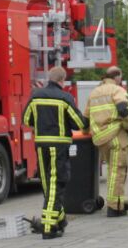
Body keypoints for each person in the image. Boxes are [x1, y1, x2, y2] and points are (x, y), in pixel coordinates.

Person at [22, 66, 86, 239]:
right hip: (59, 146)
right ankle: (49, 227)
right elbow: (78, 123)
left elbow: (26, 119)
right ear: (62, 80)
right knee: (56, 185)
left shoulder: (35, 95)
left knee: (47, 184)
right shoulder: (65, 98)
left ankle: (60, 219)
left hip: (41, 144)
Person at [85, 65, 128, 217]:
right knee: (118, 171)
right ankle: (115, 208)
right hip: (116, 137)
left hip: (100, 140)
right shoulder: (117, 90)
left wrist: (85, 133)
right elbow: (124, 111)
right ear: (117, 77)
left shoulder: (94, 93)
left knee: (112, 171)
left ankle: (117, 202)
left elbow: (85, 118)